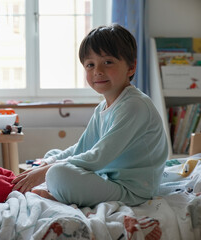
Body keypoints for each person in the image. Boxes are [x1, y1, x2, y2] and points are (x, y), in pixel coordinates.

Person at [12, 24, 169, 207]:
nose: (98, 71)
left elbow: (98, 157)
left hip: (133, 190)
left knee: (57, 173)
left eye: (108, 62)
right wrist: (47, 163)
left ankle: (58, 192)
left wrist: (47, 171)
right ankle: (58, 186)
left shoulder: (135, 105)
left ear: (131, 67)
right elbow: (82, 148)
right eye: (90, 65)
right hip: (108, 178)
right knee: (52, 156)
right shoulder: (103, 107)